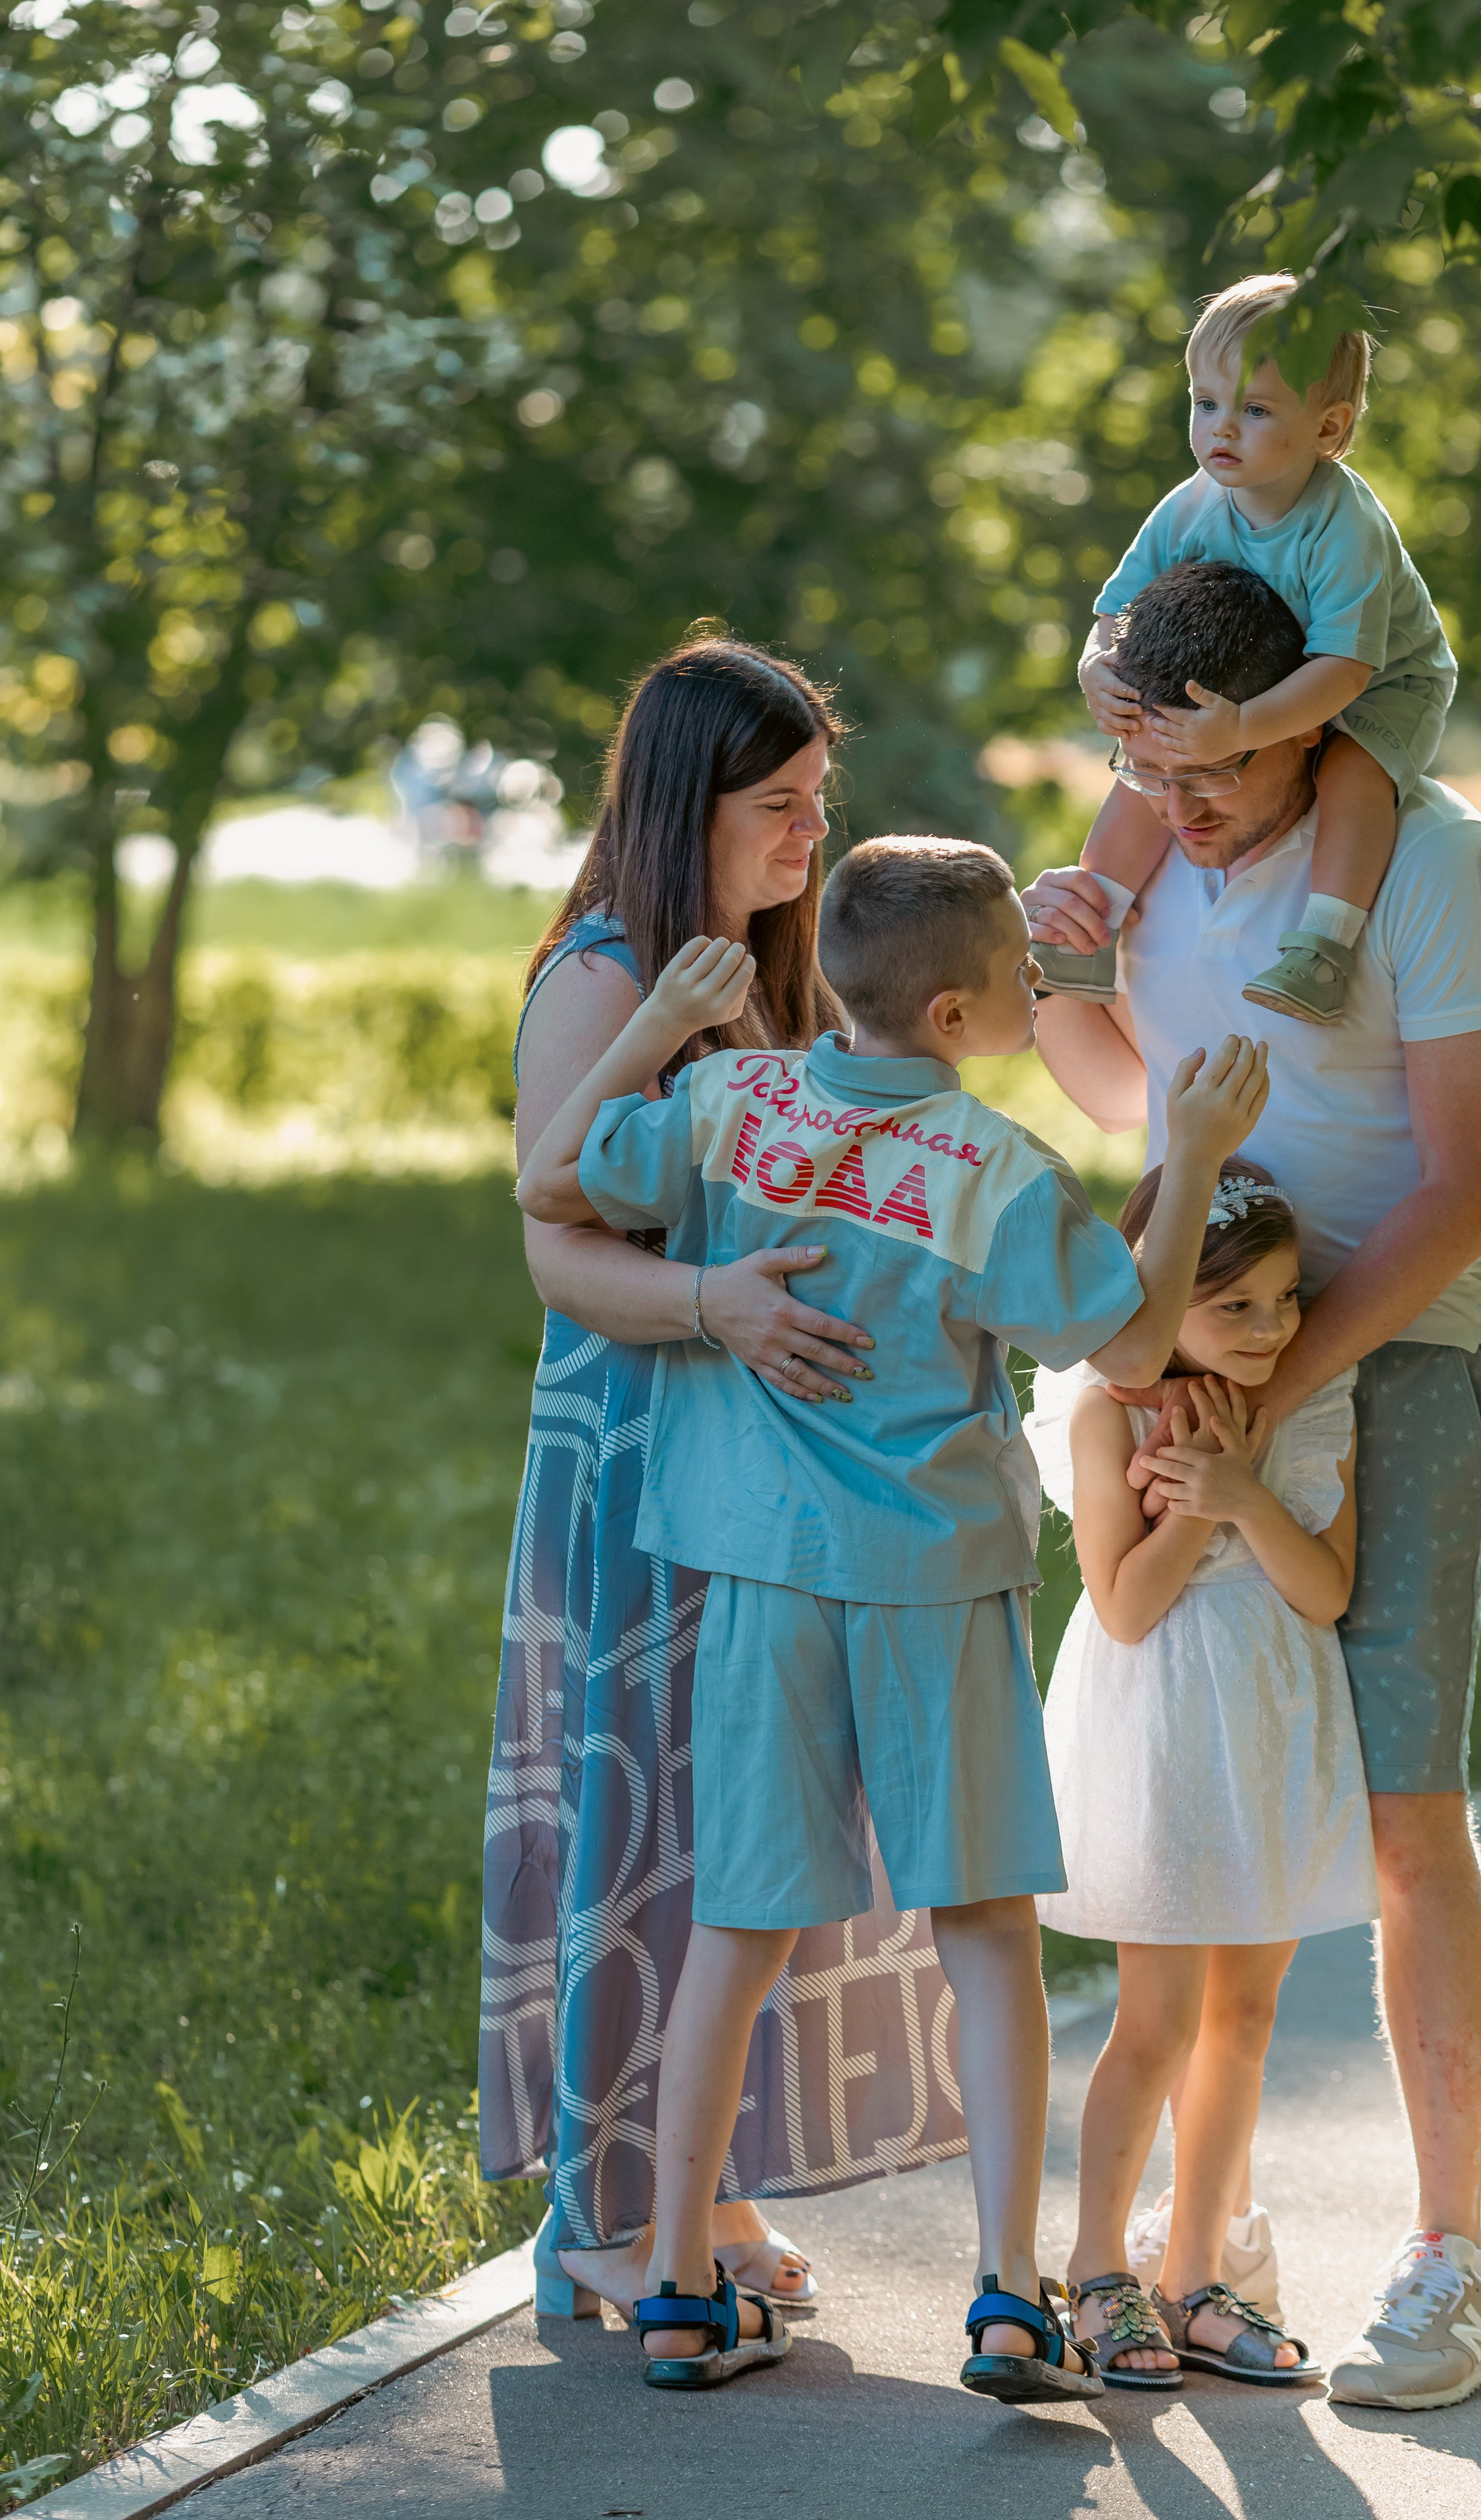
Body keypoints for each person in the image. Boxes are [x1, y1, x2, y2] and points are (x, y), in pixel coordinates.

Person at [517, 833, 1271, 2395]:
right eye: (1017, 975)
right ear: (949, 1011)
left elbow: (552, 1178)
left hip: (761, 1574)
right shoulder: (995, 1170)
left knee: (737, 1923)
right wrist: (1188, 1154)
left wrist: (656, 1028)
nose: (1032, 989)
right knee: (984, 1929)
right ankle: (1008, 2296)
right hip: (932, 1580)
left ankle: (671, 2287)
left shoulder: (730, 1104)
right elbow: (1130, 1347)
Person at [1024, 556, 1481, 2413]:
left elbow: (1466, 1187)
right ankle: (1199, 2237)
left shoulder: (1437, 863)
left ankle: (1451, 2257)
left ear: (1303, 718)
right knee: (1218, 1802)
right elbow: (1120, 1086)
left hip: (1381, 1364)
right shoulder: (1157, 849)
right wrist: (1062, 962)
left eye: (1211, 769)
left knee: (1401, 1812)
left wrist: (1251, 1409)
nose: (1179, 804)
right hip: (1202, 1353)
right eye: (1148, 767)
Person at [479, 638, 966, 2330]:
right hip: (637, 1457)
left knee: (735, 1826)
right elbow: (553, 1244)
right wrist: (718, 1305)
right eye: (777, 805)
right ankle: (601, 2216)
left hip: (755, 1463)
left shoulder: (758, 975)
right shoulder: (606, 979)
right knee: (641, 1832)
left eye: (816, 803)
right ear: (688, 801)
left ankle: (708, 2175)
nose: (804, 836)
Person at [1025, 1157, 1376, 2390]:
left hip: (1274, 1724)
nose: (1273, 1328)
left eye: (1285, 1300)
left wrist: (1239, 1489)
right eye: (1236, 1306)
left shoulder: (1313, 1403)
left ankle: (1195, 2272)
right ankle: (1099, 2271)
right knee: (1161, 2018)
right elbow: (1121, 1607)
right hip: (1167, 1728)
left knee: (1246, 2014)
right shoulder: (1104, 1415)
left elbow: (1326, 1590)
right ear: (1158, 1298)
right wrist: (1196, 1511)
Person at [1050, 271, 1455, 1028]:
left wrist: (1241, 730)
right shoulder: (1190, 505)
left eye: (1256, 409)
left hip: (1378, 680)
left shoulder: (1345, 527)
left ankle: (1322, 947)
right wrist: (1096, 664)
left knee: (1352, 773)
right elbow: (1115, 608)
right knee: (1157, 757)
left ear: (1329, 429)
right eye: (1206, 403)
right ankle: (1091, 918)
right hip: (1261, 670)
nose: (1221, 428)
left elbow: (1344, 669)